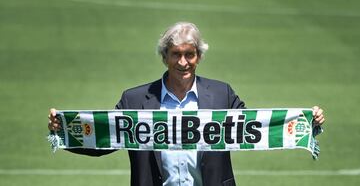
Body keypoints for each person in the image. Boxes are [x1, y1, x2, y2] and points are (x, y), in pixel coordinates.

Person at [48, 22, 325, 186]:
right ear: (164, 57)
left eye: (189, 54)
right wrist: (63, 131)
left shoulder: (221, 95)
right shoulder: (135, 100)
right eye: (176, 54)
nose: (183, 62)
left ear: (199, 57)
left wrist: (305, 122)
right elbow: (105, 137)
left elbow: (259, 127)